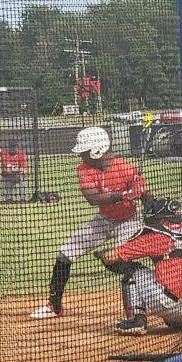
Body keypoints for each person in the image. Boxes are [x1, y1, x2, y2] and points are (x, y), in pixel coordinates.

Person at [29, 126, 149, 319]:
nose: (81, 156)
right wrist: (123, 195)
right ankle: (54, 305)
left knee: (118, 258)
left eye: (84, 152)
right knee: (65, 253)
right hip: (105, 219)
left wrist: (141, 191)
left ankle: (136, 312)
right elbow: (92, 198)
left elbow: (145, 194)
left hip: (130, 219)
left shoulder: (126, 168)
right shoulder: (84, 169)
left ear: (97, 150)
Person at [97, 198, 182, 335]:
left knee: (133, 271)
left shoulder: (154, 238)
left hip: (169, 305)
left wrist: (102, 254)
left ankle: (137, 321)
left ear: (162, 219)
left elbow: (111, 258)